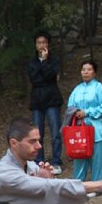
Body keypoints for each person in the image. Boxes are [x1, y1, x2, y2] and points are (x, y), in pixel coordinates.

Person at [27, 29, 66, 167]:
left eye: (44, 42)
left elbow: (51, 76)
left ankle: (56, 161)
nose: (41, 45)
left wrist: (44, 62)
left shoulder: (54, 60)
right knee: (38, 134)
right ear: (35, 45)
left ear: (48, 44)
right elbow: (34, 80)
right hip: (37, 101)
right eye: (39, 42)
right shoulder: (32, 61)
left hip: (52, 100)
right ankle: (40, 161)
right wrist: (44, 68)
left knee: (55, 132)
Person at [67, 59, 102, 184]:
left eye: (89, 70)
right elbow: (70, 106)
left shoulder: (99, 88)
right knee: (79, 155)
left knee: (98, 158)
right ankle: (77, 184)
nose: (86, 72)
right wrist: (75, 112)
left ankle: (98, 185)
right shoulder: (77, 89)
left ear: (94, 73)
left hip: (97, 128)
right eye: (83, 70)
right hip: (80, 128)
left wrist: (86, 112)